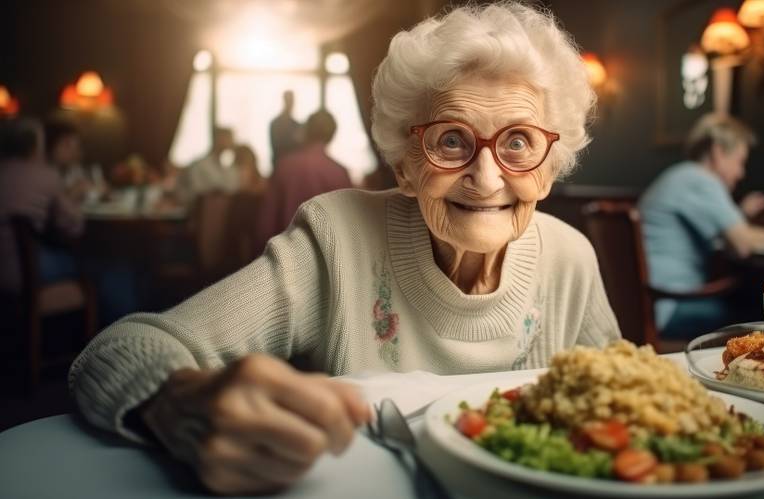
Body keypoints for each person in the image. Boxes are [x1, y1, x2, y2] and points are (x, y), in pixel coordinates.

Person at [69, 3, 621, 495]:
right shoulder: (337, 239)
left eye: (518, 142)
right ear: (406, 162)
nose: (486, 176)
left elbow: (626, 401)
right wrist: (177, 402)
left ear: (549, 168)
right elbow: (119, 348)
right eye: (451, 139)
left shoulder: (569, 258)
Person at [639, 113, 764, 338]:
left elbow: (729, 235)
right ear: (718, 152)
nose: (741, 173)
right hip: (670, 307)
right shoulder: (700, 180)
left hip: (651, 304)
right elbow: (742, 244)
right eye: (739, 161)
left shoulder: (680, 176)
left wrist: (740, 215)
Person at [0, 118, 84, 295]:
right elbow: (74, 225)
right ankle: (120, 320)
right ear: (34, 146)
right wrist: (73, 198)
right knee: (100, 265)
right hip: (22, 272)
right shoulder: (45, 175)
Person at [255, 110, 351, 248]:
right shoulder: (339, 173)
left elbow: (265, 225)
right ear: (332, 135)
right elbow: (345, 225)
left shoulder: (284, 166)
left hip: (284, 254)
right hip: (325, 256)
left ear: (306, 130)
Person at [44, 119, 104, 204]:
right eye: (67, 145)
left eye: (76, 146)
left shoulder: (67, 171)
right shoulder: (41, 175)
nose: (74, 151)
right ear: (49, 146)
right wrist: (73, 193)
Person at [178, 127, 239, 201]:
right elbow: (196, 192)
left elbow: (232, 189)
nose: (232, 142)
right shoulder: (201, 165)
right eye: (228, 138)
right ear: (218, 139)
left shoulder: (228, 168)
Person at [269, 90, 303, 169]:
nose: (290, 103)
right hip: (280, 166)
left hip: (293, 167)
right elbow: (276, 148)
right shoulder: (275, 124)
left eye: (291, 100)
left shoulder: (296, 125)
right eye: (289, 100)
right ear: (284, 101)